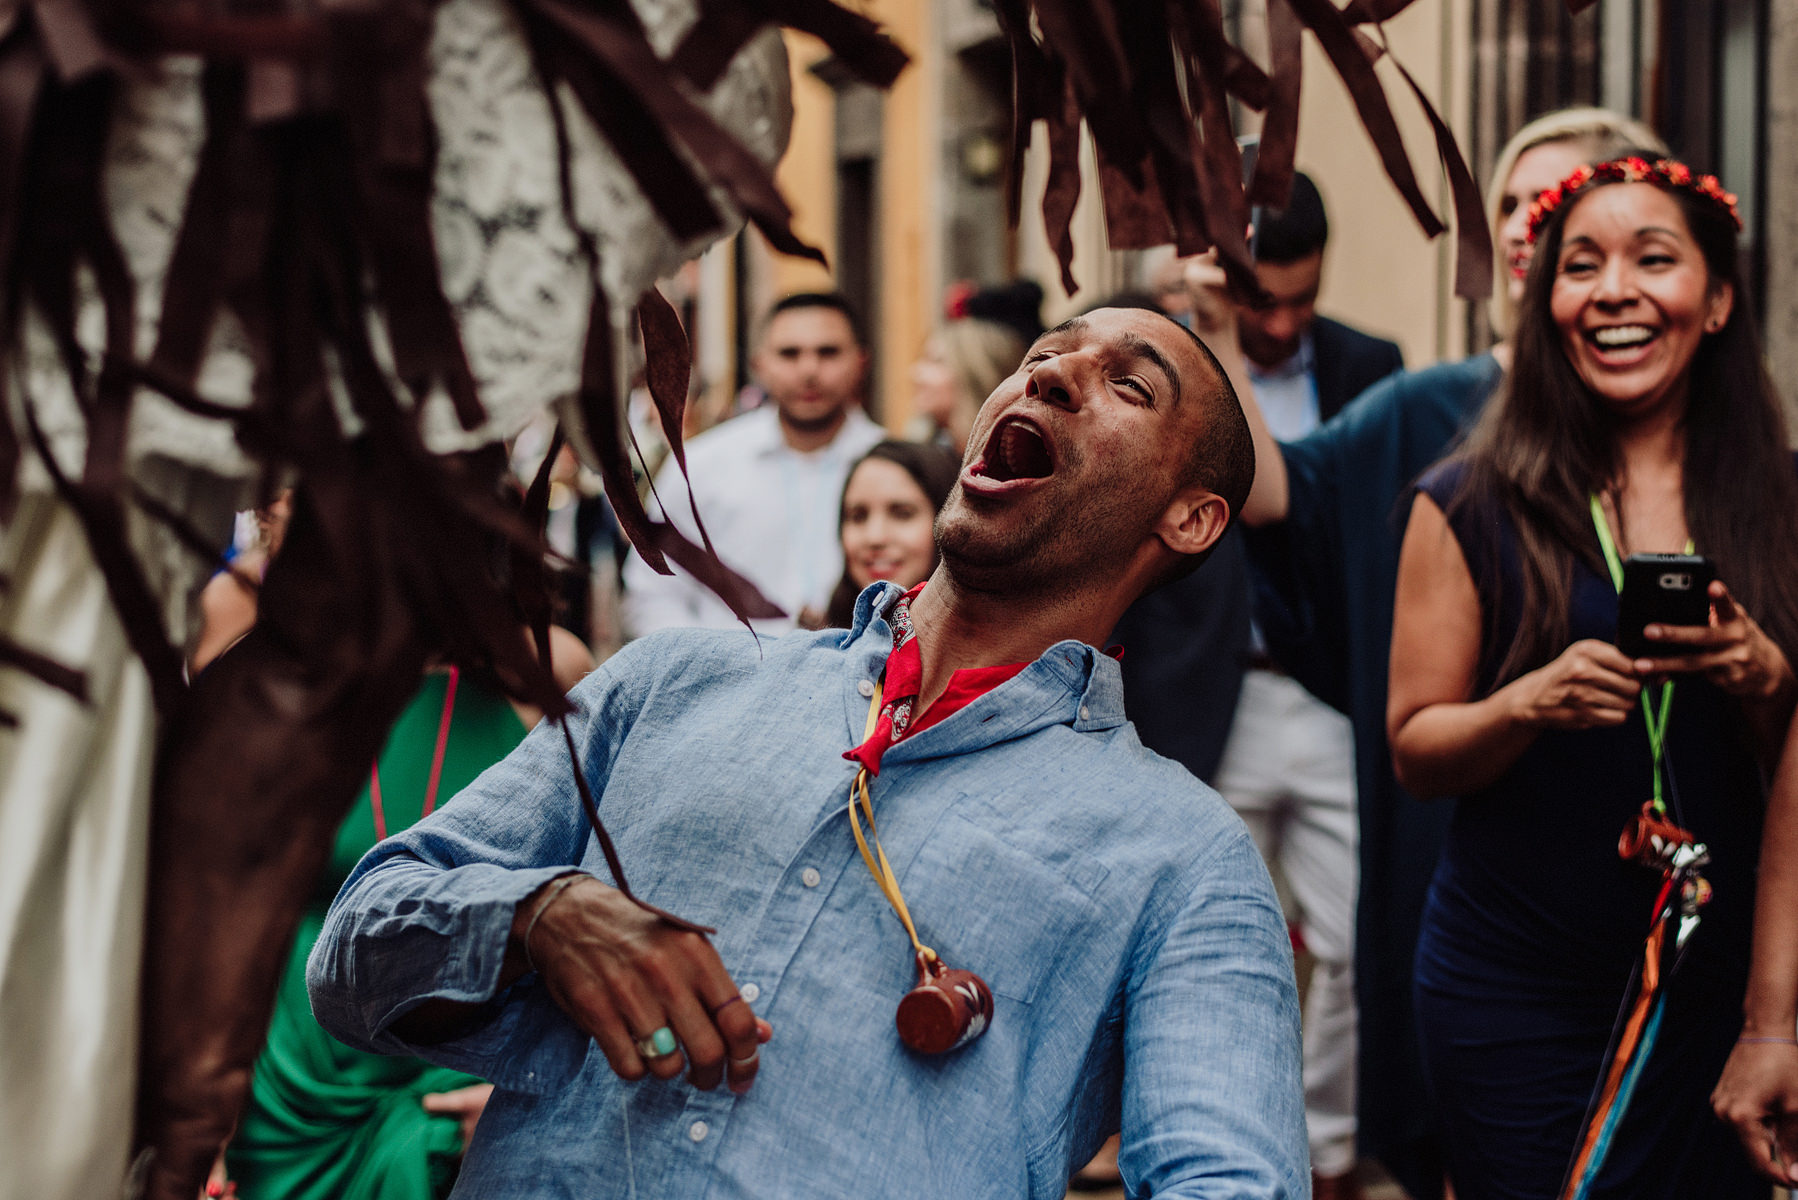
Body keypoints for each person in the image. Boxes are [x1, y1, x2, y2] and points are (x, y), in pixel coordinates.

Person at [307, 307, 1306, 1198]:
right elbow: (351, 950)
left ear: (1191, 518)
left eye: (1128, 385)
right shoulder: (671, 681)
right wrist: (538, 917)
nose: (1050, 374)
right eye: (1045, 353)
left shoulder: (1186, 859)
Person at [1216, 106, 1664, 1200]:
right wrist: (1213, 327)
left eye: (1555, 198)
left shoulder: (1709, 442)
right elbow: (1278, 494)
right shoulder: (1434, 412)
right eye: (1509, 202)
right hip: (1487, 872)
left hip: (1658, 874)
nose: (1522, 224)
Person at [1387, 156, 1798, 1197]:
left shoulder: (1784, 504)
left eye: (1653, 259)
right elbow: (1415, 752)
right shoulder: (1466, 502)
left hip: (1723, 984)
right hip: (1512, 987)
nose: (1614, 290)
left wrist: (1764, 682)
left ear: (1716, 299)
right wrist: (1527, 703)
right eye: (1581, 266)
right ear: (1546, 305)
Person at [1207, 170, 1404, 1200]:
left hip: (1330, 693)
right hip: (1204, 699)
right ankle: (1219, 1153)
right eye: (1261, 302)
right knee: (1205, 947)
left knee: (1365, 935)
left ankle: (1323, 1152)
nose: (1282, 323)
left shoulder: (1373, 365)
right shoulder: (1157, 350)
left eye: (1301, 299)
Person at [621, 292, 885, 636]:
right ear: (759, 364)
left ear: (862, 361)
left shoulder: (892, 465)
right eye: (789, 353)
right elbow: (653, 591)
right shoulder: (700, 466)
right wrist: (711, 662)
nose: (809, 370)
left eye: (828, 352)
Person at [821, 440, 960, 628]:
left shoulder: (988, 642)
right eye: (858, 516)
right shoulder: (826, 641)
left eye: (902, 514)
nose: (875, 537)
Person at [907, 319, 1025, 454]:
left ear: (974, 375)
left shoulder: (1011, 456)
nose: (916, 374)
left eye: (936, 361)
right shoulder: (928, 452)